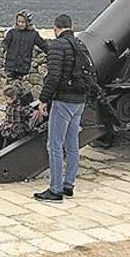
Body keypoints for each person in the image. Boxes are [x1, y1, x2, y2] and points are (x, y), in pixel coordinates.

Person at [34, 14, 85, 202]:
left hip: (63, 100)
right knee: (72, 145)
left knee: (54, 145)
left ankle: (55, 190)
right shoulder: (80, 44)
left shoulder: (58, 45)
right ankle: (68, 185)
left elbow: (54, 76)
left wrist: (43, 100)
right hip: (80, 100)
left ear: (56, 28)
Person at [2, 9, 49, 83]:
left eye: (23, 22)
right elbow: (5, 44)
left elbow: (43, 45)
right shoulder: (12, 33)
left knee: (20, 88)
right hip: (11, 66)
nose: (20, 24)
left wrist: (51, 52)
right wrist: (4, 47)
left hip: (23, 68)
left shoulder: (33, 34)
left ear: (28, 22)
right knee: (9, 89)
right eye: (19, 22)